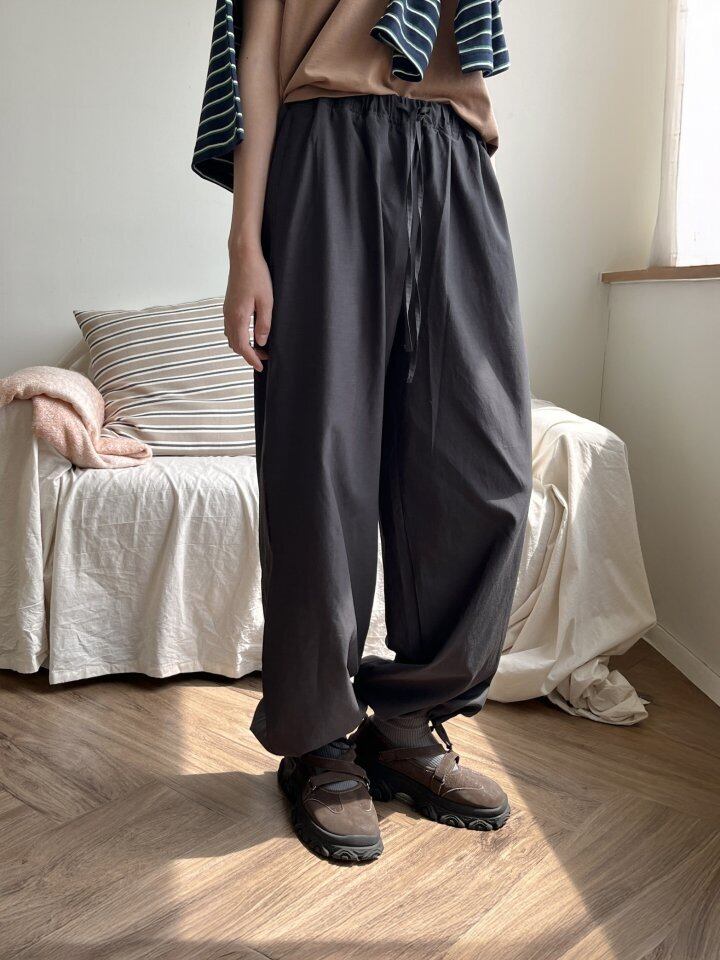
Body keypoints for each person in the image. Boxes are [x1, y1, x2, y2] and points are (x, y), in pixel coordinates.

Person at [193, 0, 532, 863]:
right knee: (320, 468)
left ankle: (407, 722)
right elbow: (256, 62)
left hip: (454, 156)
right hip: (323, 152)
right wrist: (245, 247)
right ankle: (318, 741)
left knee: (487, 475)